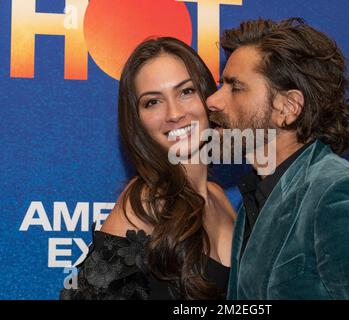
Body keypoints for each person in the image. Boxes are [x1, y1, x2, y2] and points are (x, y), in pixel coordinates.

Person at [206, 18, 349, 299]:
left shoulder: (340, 194)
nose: (213, 100)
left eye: (235, 87)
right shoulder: (258, 197)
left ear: (288, 107)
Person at [60, 37, 236, 300]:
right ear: (138, 121)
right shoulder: (147, 201)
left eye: (186, 91)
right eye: (153, 102)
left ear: (208, 96)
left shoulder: (220, 198)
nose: (174, 113)